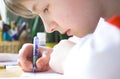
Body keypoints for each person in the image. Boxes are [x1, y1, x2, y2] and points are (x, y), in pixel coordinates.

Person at [3, 0, 120, 79]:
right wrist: (52, 54)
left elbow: (94, 67)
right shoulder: (103, 27)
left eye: (45, 9)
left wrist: (67, 58)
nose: (48, 29)